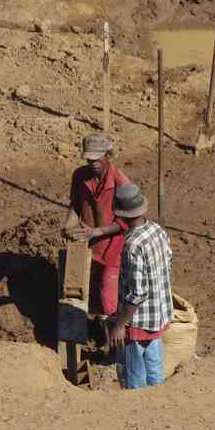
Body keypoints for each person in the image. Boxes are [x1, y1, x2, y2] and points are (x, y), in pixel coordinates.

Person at [107, 184, 173, 390]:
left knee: (134, 376)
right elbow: (168, 262)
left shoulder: (132, 244)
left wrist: (119, 325)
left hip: (138, 321)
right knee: (155, 369)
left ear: (121, 215)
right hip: (158, 314)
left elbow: (137, 293)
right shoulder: (157, 230)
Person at [65, 134, 132, 317]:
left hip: (113, 249)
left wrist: (96, 231)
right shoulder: (80, 176)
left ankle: (114, 341)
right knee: (80, 293)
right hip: (86, 246)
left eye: (97, 158)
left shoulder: (120, 182)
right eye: (89, 158)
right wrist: (68, 224)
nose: (92, 162)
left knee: (108, 297)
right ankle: (89, 334)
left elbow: (127, 220)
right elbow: (76, 205)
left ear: (107, 155)